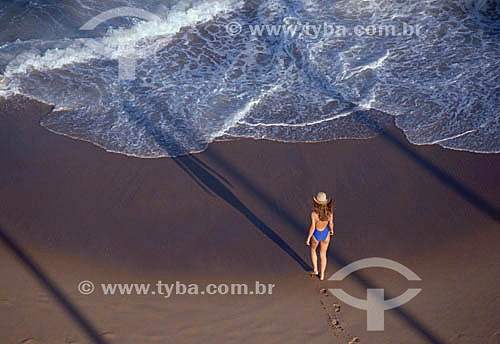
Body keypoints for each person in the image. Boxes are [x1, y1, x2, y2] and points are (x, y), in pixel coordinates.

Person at [306, 192, 334, 280]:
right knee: (323, 254)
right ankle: (322, 275)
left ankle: (315, 270)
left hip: (316, 234)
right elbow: (331, 224)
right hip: (326, 234)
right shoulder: (329, 213)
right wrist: (331, 230)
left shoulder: (314, 214)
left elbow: (312, 228)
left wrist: (308, 238)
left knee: (313, 249)